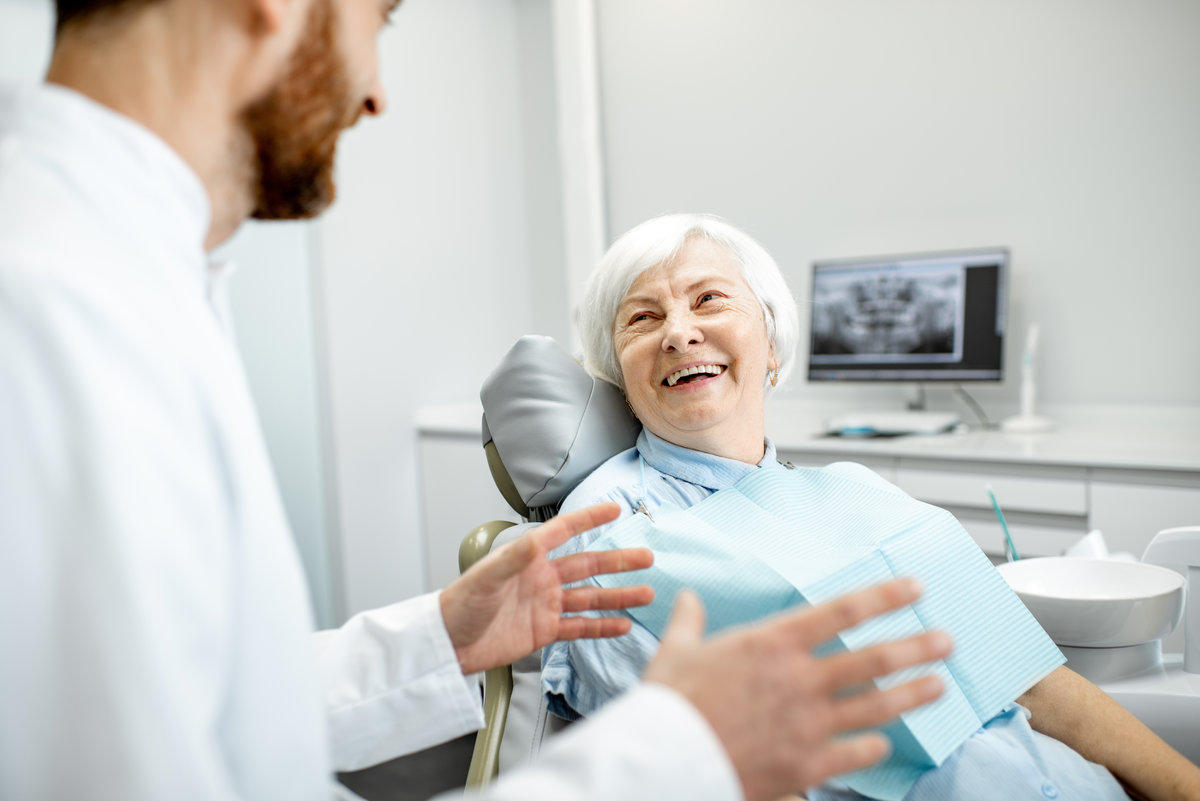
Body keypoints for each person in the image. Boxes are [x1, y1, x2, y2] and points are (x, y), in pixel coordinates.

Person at [0, 2, 957, 800]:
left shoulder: (122, 277)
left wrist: (438, 637)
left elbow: (211, 705)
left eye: (712, 300)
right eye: (378, 16)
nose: (375, 92)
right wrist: (680, 755)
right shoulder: (52, 307)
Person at [542, 212, 1200, 801]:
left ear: (771, 346)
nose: (681, 333)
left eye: (708, 298)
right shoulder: (608, 528)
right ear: (619, 374)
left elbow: (1034, 681)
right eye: (643, 317)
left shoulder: (857, 486)